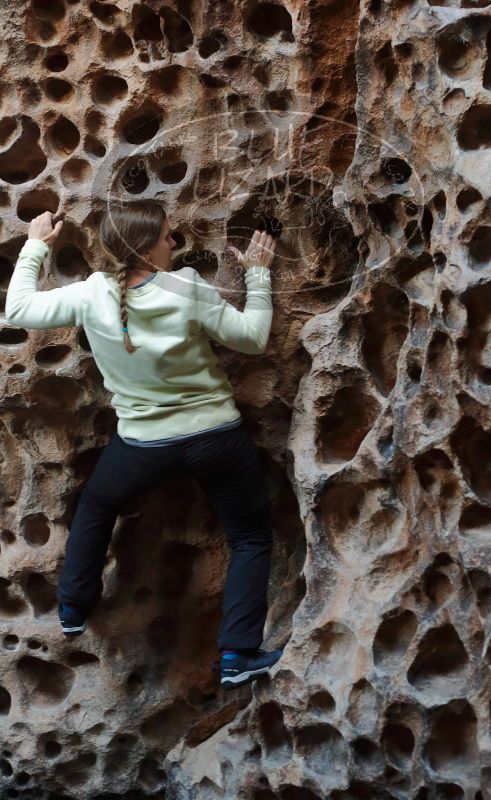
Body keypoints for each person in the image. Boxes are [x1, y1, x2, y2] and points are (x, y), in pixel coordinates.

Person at [5, 200, 283, 690]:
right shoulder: (186, 287)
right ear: (147, 247)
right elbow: (253, 339)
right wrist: (258, 276)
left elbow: (19, 308)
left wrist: (36, 244)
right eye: (168, 236)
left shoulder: (92, 293)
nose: (174, 242)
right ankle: (238, 654)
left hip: (143, 445)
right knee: (251, 538)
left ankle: (72, 608)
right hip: (214, 437)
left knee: (96, 504)